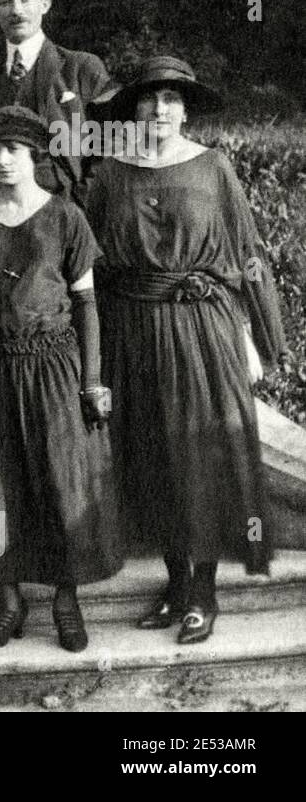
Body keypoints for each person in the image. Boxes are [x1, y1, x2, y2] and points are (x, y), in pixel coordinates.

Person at [86, 56, 286, 644]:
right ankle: (175, 585)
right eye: (150, 99)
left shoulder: (212, 167)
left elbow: (246, 251)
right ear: (134, 109)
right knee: (151, 457)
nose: (161, 110)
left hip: (201, 329)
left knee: (199, 457)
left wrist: (262, 338)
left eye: (173, 100)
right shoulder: (109, 175)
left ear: (186, 109)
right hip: (132, 330)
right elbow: (92, 270)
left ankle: (204, 591)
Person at [0, 105, 121, 653]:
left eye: (14, 151)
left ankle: (66, 601)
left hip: (52, 368)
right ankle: (8, 603)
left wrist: (91, 382)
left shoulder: (65, 217)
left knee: (59, 482)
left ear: (35, 156)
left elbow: (87, 304)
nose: (2, 161)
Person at [0, 0, 112, 209]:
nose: (16, 10)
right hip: (1, 217)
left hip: (66, 213)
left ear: (45, 5)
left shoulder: (81, 68)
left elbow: (107, 146)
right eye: (5, 2)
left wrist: (79, 208)